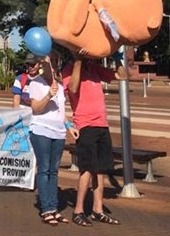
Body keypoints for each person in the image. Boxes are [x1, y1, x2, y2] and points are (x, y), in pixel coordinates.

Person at [63, 55, 125, 226]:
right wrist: (77, 61)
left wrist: (117, 58)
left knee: (101, 169)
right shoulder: (69, 70)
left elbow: (122, 76)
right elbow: (73, 89)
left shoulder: (95, 69)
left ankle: (98, 210)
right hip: (85, 125)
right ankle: (78, 210)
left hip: (102, 125)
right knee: (87, 169)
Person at [27, 54, 76, 226]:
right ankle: (46, 208)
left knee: (54, 171)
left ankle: (54, 208)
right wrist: (48, 95)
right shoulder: (36, 83)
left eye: (56, 62)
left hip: (58, 132)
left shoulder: (60, 86)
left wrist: (69, 126)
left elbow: (61, 112)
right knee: (44, 169)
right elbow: (35, 109)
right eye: (49, 62)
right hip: (41, 131)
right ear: (42, 64)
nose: (53, 65)